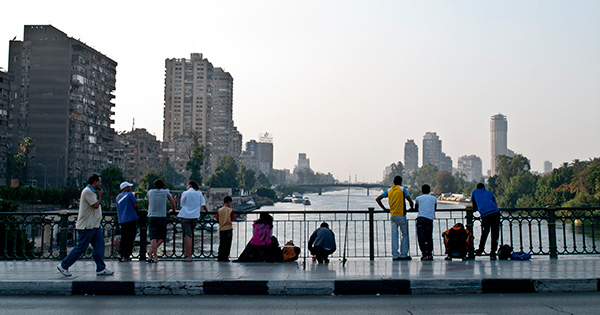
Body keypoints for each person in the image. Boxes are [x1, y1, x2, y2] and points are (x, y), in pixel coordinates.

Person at [57, 174, 113, 276]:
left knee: (99, 246)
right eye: (99, 182)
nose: (100, 184)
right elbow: (95, 205)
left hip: (94, 225)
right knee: (81, 247)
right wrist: (100, 195)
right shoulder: (87, 192)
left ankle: (101, 268)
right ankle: (64, 265)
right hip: (87, 226)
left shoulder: (91, 192)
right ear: (95, 182)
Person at [376, 175, 414, 260]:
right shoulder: (403, 189)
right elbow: (410, 200)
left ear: (393, 182)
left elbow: (378, 199)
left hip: (393, 215)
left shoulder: (389, 190)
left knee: (394, 235)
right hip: (402, 215)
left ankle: (395, 255)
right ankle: (404, 254)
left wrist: (384, 208)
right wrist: (411, 207)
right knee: (405, 234)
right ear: (400, 182)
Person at [146, 179, 177, 263]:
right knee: (162, 237)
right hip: (162, 216)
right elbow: (172, 201)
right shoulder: (165, 192)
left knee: (153, 237)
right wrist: (173, 210)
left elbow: (148, 202)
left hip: (152, 216)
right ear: (163, 186)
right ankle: (152, 253)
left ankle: (153, 255)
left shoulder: (150, 192)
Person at [177, 180, 208, 261]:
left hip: (185, 216)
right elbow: (203, 205)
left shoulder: (185, 193)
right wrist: (206, 211)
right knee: (190, 234)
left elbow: (182, 204)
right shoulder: (199, 193)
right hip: (195, 216)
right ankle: (187, 253)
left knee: (187, 235)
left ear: (189, 185)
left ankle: (189, 255)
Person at [471, 183, 501, 260]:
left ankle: (480, 250)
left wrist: (475, 209)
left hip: (486, 215)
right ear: (484, 188)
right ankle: (493, 254)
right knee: (495, 234)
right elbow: (494, 202)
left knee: (485, 233)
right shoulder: (489, 192)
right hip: (495, 213)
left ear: (477, 188)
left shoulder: (475, 192)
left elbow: (474, 203)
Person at [116, 181, 139, 262]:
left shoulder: (118, 196)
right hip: (131, 219)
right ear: (125, 188)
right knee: (130, 238)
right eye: (129, 186)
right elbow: (135, 204)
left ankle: (120, 253)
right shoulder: (130, 195)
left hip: (122, 220)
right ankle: (126, 255)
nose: (130, 188)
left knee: (123, 238)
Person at [414, 184, 436, 260]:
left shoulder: (418, 198)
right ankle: (430, 253)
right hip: (429, 219)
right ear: (429, 190)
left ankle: (424, 254)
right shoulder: (434, 198)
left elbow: (416, 208)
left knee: (421, 238)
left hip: (420, 219)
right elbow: (435, 207)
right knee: (429, 237)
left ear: (422, 190)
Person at [217, 196, 235, 262]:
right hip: (228, 228)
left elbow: (217, 218)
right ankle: (225, 257)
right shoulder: (231, 210)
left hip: (221, 228)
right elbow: (233, 219)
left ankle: (220, 257)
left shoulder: (219, 210)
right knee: (227, 244)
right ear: (229, 202)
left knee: (221, 244)